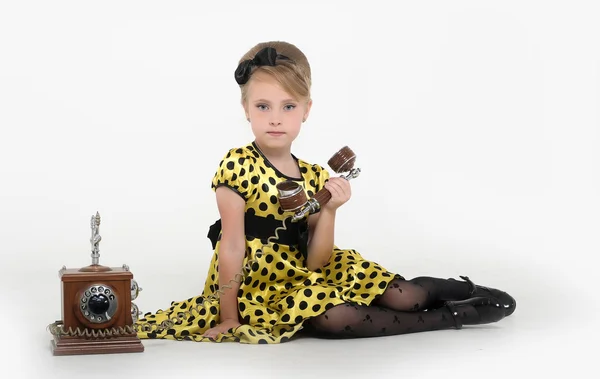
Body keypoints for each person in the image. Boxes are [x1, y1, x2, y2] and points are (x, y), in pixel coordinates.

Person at [135, 41, 516, 344]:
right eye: (263, 106)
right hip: (260, 283)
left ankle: (465, 288)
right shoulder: (236, 167)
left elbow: (317, 263)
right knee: (335, 318)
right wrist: (230, 316)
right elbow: (231, 246)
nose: (275, 118)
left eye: (288, 106)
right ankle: (453, 315)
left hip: (307, 269)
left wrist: (330, 211)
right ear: (245, 108)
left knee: (407, 296)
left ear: (306, 110)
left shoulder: (315, 175)